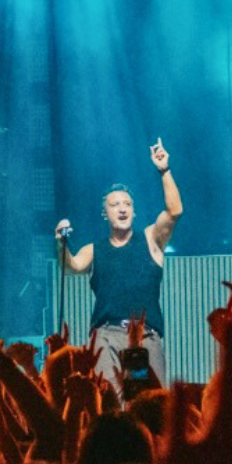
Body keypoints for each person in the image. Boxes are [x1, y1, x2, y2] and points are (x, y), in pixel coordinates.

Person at [55, 140, 182, 389]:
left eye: (127, 204)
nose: (122, 209)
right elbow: (71, 266)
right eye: (115, 205)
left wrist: (164, 170)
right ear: (105, 213)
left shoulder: (151, 239)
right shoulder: (94, 249)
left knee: (145, 402)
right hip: (106, 335)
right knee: (110, 401)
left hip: (144, 336)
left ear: (134, 211)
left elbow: (174, 212)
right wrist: (61, 244)